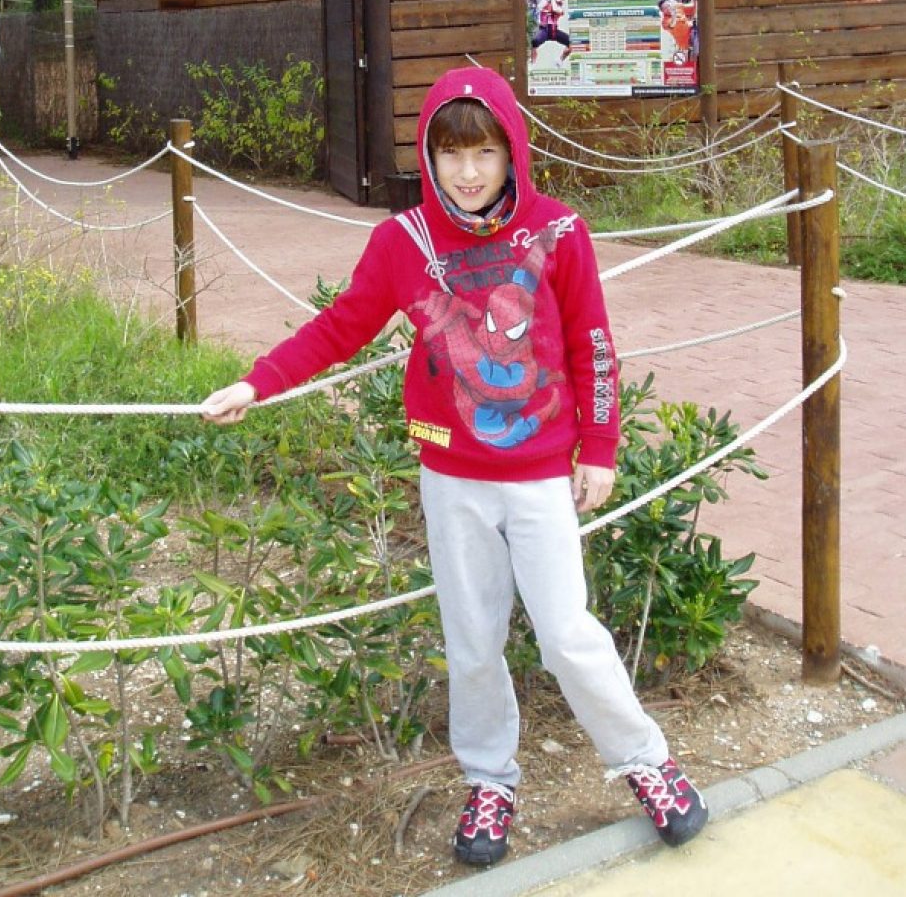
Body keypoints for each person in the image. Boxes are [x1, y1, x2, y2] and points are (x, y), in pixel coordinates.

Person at [202, 66, 708, 867]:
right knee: (471, 640)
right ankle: (490, 780)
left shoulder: (562, 233)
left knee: (566, 634)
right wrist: (257, 381)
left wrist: (600, 447)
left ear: (513, 150)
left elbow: (595, 347)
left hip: (541, 474)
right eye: (449, 154)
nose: (467, 173)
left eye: (484, 152)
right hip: (453, 476)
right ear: (427, 156)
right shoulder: (402, 245)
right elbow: (339, 328)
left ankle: (648, 762)